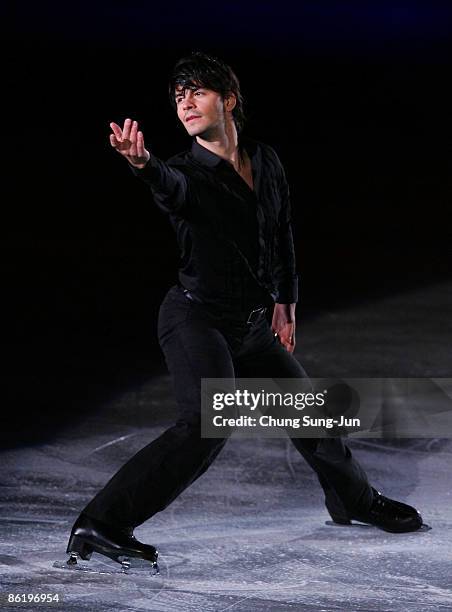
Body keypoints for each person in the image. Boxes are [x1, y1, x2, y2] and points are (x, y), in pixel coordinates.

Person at [66, 52, 423, 571]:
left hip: (253, 322)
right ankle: (102, 522)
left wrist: (286, 300)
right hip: (196, 318)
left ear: (228, 100)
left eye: (197, 91)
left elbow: (280, 232)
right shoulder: (188, 173)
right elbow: (168, 185)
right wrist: (142, 164)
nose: (185, 102)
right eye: (178, 96)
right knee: (206, 422)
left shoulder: (266, 160)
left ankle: (352, 500)